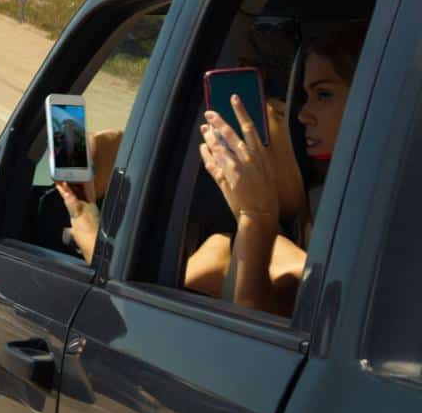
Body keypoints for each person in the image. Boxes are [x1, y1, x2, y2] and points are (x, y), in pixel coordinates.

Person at [56, 24, 367, 316]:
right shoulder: (333, 187)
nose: (302, 115)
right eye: (305, 95)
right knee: (220, 246)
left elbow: (250, 325)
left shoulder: (360, 218)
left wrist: (256, 216)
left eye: (324, 94)